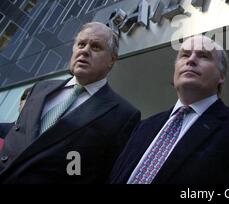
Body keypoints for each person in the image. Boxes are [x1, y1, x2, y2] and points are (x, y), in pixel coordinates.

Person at [109, 35, 229, 184]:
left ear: (221, 76)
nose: (191, 60)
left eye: (203, 56)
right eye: (185, 55)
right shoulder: (144, 126)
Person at [0, 22, 141, 183]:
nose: (85, 51)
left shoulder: (123, 114)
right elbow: (19, 131)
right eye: (81, 44)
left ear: (112, 59)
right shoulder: (41, 88)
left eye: (95, 47)